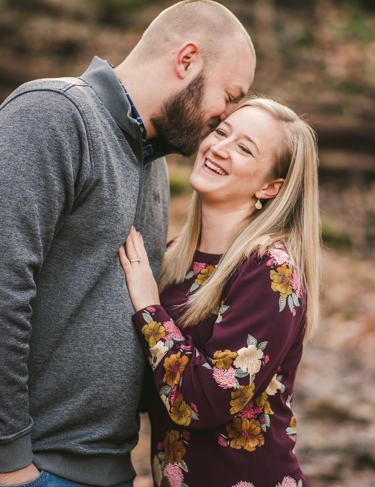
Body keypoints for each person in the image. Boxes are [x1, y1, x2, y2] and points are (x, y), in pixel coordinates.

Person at [0, 0, 255, 487]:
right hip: (12, 466)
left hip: (101, 466)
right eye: (229, 96)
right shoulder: (51, 115)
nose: (226, 117)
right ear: (186, 60)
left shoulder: (153, 165)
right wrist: (10, 458)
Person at [119, 97, 320, 487]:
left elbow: (204, 401)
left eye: (245, 148)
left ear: (271, 187)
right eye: (221, 131)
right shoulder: (176, 255)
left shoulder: (269, 268)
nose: (219, 147)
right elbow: (147, 386)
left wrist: (148, 307)